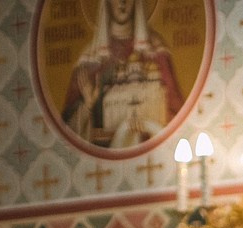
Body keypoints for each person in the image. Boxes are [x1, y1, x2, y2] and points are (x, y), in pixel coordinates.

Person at [60, 0, 185, 149]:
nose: (122, 3)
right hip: (103, 160)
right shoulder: (90, 58)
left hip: (153, 152)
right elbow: (66, 133)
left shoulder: (156, 51)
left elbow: (177, 113)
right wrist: (87, 104)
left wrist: (152, 123)